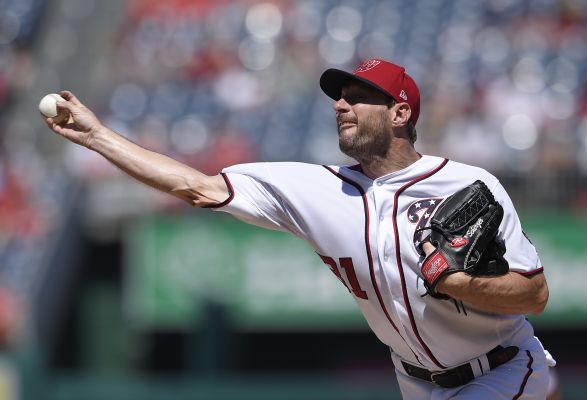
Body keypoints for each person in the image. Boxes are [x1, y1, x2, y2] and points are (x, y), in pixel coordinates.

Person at [45, 58, 555, 399]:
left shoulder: (466, 184)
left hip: (504, 367)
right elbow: (198, 187)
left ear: (400, 113)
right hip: (416, 383)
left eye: (358, 96)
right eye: (339, 96)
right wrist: (97, 137)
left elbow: (534, 295)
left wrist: (459, 283)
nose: (340, 104)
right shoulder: (316, 189)